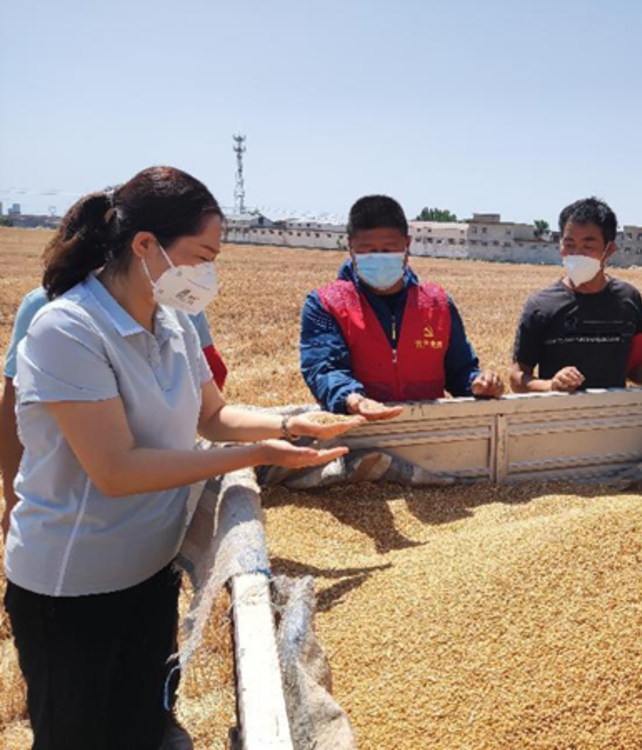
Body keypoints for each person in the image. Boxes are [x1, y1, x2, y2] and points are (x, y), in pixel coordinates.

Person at [2, 166, 363, 750]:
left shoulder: (173, 324)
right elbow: (116, 470)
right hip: (72, 590)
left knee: (143, 729)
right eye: (200, 255)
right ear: (145, 245)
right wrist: (252, 454)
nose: (208, 273)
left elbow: (212, 416)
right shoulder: (66, 330)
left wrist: (291, 422)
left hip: (149, 569)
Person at [2, 289, 228, 538]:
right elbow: (15, 405)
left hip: (162, 515)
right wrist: (13, 500)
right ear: (141, 248)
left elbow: (210, 389)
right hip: (79, 525)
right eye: (199, 256)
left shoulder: (182, 306)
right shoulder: (53, 310)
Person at [300, 194, 504, 420]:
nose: (378, 258)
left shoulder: (438, 305)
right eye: (367, 250)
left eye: (388, 250)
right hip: (358, 431)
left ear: (407, 245)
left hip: (426, 433)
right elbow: (324, 369)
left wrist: (479, 383)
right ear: (351, 248)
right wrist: (352, 398)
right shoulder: (327, 304)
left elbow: (460, 370)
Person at [510, 197, 642, 394]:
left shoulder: (627, 299)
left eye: (587, 247)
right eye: (569, 244)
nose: (576, 254)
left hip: (612, 418)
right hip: (559, 420)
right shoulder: (541, 305)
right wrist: (551, 386)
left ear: (609, 249)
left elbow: (637, 367)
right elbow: (517, 377)